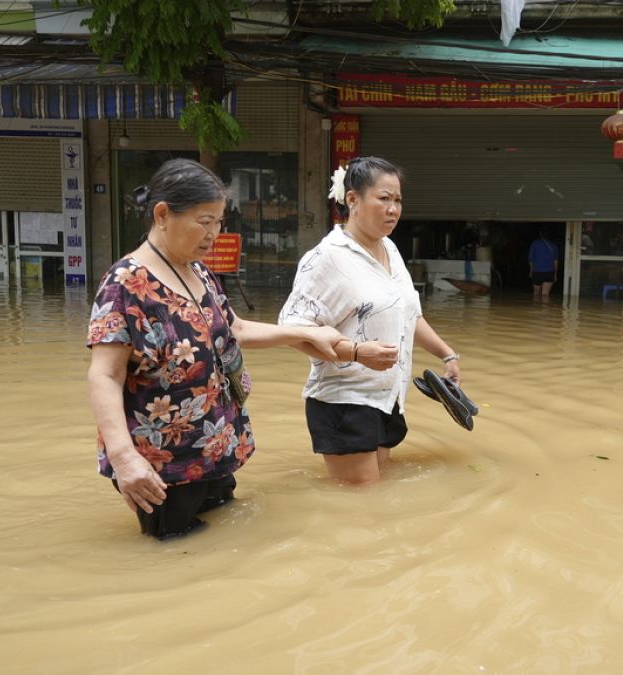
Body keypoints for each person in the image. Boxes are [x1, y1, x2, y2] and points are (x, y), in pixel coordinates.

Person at [87, 158, 345, 539]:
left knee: (224, 538)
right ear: (162, 214)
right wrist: (125, 459)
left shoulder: (199, 272)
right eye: (204, 221)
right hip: (163, 465)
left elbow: (234, 329)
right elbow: (104, 375)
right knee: (174, 552)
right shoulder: (124, 285)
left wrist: (303, 335)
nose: (214, 234)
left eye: (219, 222)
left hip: (215, 447)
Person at [278, 156, 462, 485]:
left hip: (387, 397)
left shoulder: (389, 249)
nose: (393, 209)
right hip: (344, 401)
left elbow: (409, 315)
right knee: (361, 509)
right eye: (384, 198)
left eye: (398, 200)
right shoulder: (326, 258)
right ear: (352, 199)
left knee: (376, 502)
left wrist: (446, 354)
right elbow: (291, 331)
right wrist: (356, 352)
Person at [528, 228, 559, 301]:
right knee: (545, 295)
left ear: (540, 234)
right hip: (549, 272)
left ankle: (536, 310)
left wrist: (531, 271)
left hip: (537, 272)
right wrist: (555, 274)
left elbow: (531, 260)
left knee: (536, 294)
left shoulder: (534, 244)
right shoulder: (553, 246)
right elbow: (555, 262)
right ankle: (545, 311)